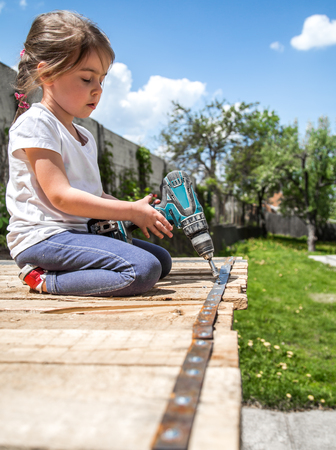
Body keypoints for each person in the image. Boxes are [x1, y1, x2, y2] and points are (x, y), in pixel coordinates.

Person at [6, 10, 173, 297]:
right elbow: (61, 196)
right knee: (143, 270)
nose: (98, 90)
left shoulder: (84, 136)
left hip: (78, 234)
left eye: (102, 80)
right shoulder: (37, 123)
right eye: (87, 79)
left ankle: (64, 272)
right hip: (43, 238)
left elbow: (93, 196)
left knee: (162, 260)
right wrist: (130, 210)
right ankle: (44, 279)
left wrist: (135, 208)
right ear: (48, 74)